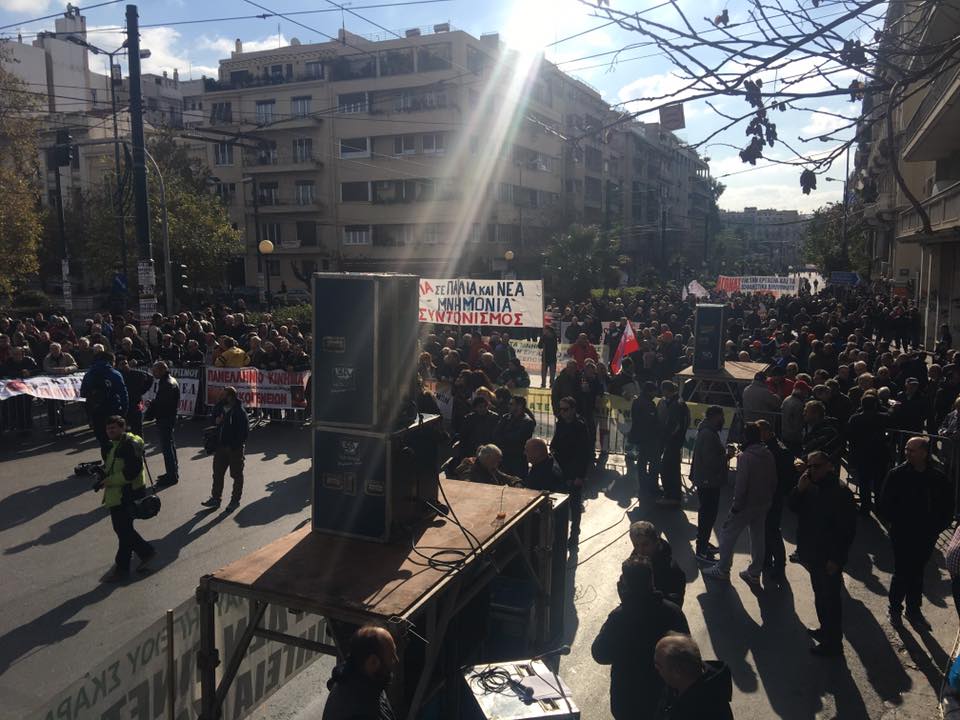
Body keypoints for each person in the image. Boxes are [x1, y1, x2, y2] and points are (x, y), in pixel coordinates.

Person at [592, 557, 689, 720]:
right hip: (664, 696)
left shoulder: (620, 617)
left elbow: (599, 653)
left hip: (628, 699)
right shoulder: (673, 612)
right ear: (651, 581)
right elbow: (687, 652)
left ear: (625, 585)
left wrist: (625, 605)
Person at [878, 436, 955, 628]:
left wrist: (935, 529)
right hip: (902, 533)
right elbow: (885, 503)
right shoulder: (897, 474)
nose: (907, 453)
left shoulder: (937, 478)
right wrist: (897, 523)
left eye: (911, 450)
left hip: (926, 535)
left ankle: (913, 610)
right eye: (906, 449)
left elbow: (947, 507)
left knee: (917, 571)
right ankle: (895, 608)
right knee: (902, 570)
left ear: (924, 453)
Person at [788, 451, 857, 656]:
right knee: (820, 595)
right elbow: (792, 507)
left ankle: (833, 643)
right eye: (809, 466)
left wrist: (836, 559)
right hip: (812, 553)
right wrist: (799, 490)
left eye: (816, 466)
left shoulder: (840, 492)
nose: (812, 470)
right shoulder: (809, 486)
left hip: (828, 557)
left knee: (831, 600)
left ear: (829, 466)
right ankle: (825, 630)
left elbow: (846, 531)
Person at [703, 422, 776, 587]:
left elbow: (741, 485)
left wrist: (736, 506)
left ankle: (723, 569)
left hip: (745, 504)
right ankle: (754, 572)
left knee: (727, 534)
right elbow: (773, 480)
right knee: (758, 537)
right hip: (763, 502)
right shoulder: (768, 454)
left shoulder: (745, 457)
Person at [94, 415, 155, 582]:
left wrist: (109, 481)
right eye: (108, 429)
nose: (110, 431)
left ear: (123, 428)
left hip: (127, 493)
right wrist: (102, 474)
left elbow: (132, 471)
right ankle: (144, 553)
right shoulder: (114, 444)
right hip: (119, 493)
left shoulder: (128, 445)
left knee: (123, 530)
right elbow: (114, 466)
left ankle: (124, 567)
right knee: (124, 530)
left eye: (113, 428)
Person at [322, 625, 398, 720]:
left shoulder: (366, 680)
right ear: (373, 661)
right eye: (391, 657)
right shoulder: (361, 713)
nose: (396, 660)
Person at [654, 634, 733, 720]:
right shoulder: (676, 686)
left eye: (659, 666)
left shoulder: (707, 710)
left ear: (677, 672)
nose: (656, 668)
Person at [757, 419, 797, 584]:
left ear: (766, 432)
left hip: (773, 495)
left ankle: (779, 564)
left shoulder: (777, 450)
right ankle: (767, 559)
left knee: (772, 530)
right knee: (767, 529)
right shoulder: (773, 447)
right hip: (771, 494)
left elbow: (783, 476)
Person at [690, 406, 729, 563]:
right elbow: (710, 461)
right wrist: (726, 456)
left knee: (708, 514)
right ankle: (701, 549)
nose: (723, 420)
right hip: (708, 481)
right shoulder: (708, 434)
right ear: (714, 417)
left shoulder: (708, 432)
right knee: (707, 514)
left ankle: (704, 543)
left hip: (708, 480)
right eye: (721, 417)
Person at [551, 395, 593, 546]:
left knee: (575, 506)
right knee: (560, 504)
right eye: (560, 409)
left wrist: (580, 476)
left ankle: (574, 533)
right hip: (561, 470)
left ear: (573, 409)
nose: (562, 412)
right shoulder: (561, 423)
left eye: (565, 409)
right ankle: (559, 534)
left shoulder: (580, 426)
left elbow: (584, 453)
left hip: (574, 471)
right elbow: (555, 442)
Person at [203, 386, 248, 509]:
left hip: (234, 449)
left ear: (230, 397)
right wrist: (215, 421)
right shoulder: (219, 407)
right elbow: (212, 421)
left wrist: (235, 445)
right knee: (217, 474)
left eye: (223, 395)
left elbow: (243, 433)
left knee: (236, 475)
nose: (220, 397)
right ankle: (215, 498)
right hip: (220, 447)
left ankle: (235, 500)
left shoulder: (239, 412)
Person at [845, 393, 890, 514]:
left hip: (861, 453)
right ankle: (879, 507)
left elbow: (850, 435)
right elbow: (892, 418)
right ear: (875, 405)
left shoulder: (855, 418)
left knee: (863, 481)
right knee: (878, 482)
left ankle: (865, 506)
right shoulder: (882, 417)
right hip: (878, 453)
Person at [80, 351, 129, 457]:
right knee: (118, 440)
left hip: (96, 411)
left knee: (103, 441)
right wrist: (124, 411)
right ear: (111, 361)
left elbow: (83, 393)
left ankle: (108, 463)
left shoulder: (89, 374)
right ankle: (120, 463)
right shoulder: (115, 374)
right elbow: (123, 393)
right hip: (113, 410)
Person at [629, 521, 687, 606]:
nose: (640, 550)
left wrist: (652, 596)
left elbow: (675, 603)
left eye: (645, 544)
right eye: (636, 545)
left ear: (656, 542)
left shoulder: (672, 570)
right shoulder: (633, 562)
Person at [145, 360, 180, 487]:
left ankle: (172, 475)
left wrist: (152, 404)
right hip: (168, 417)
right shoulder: (168, 381)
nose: (153, 373)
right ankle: (172, 472)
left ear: (162, 370)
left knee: (167, 448)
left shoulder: (167, 384)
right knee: (169, 445)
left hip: (165, 418)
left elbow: (164, 404)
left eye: (155, 371)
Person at [656, 381, 690, 508]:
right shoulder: (678, 402)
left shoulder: (676, 404)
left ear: (666, 390)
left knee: (667, 468)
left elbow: (675, 425)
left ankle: (671, 495)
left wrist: (667, 437)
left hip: (673, 441)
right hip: (675, 441)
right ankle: (672, 494)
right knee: (672, 468)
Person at [629, 381, 661, 496]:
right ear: (649, 391)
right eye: (654, 391)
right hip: (648, 438)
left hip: (641, 437)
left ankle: (643, 485)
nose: (656, 394)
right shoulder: (647, 404)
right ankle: (650, 486)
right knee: (652, 463)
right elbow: (649, 421)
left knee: (642, 462)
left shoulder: (638, 401)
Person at [493, 395, 536, 478]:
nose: (509, 406)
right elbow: (495, 434)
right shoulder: (505, 417)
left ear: (520, 406)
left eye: (511, 404)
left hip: (518, 459)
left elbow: (517, 438)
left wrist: (504, 436)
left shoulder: (527, 422)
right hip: (504, 457)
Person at [42, 341, 78, 433]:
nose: (54, 351)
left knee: (61, 403)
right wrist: (57, 370)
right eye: (52, 349)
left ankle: (62, 419)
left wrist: (67, 369)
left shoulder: (67, 356)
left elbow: (75, 365)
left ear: (60, 349)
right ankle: (52, 423)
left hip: (64, 383)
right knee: (51, 403)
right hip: (51, 384)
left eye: (56, 349)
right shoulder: (47, 358)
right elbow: (46, 368)